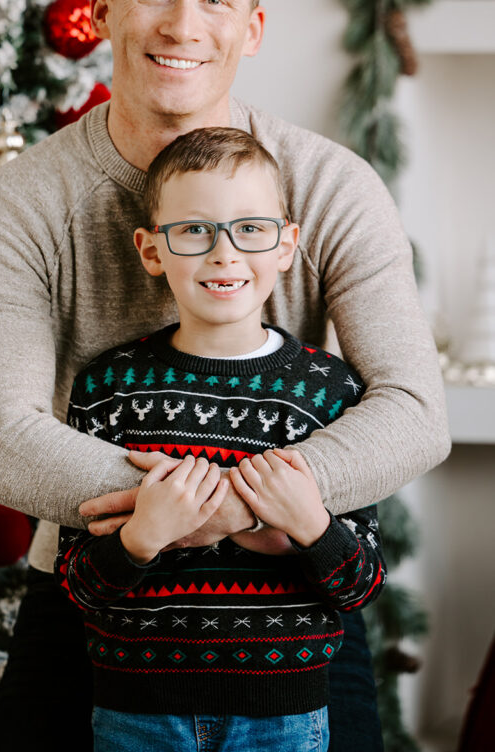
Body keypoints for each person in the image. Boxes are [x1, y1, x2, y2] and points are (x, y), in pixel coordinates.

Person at [0, 0, 450, 751]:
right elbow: (4, 437)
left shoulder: (331, 186)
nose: (182, 24)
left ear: (251, 28)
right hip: (95, 592)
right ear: (103, 10)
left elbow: (413, 412)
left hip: (293, 604)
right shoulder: (21, 203)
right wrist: (181, 508)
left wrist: (220, 503)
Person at [56, 125, 388, 752]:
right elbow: (77, 585)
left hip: (285, 720)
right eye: (194, 230)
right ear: (152, 250)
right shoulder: (108, 386)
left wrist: (309, 527)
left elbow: (363, 582)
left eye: (251, 228)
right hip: (135, 716)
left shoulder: (326, 391)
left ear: (287, 245)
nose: (224, 254)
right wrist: (143, 535)